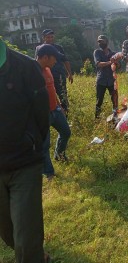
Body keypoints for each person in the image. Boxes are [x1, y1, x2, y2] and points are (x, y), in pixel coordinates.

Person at [0, 39, 50, 263]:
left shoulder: (25, 68)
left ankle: (33, 259)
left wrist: (30, 141)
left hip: (23, 163)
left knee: (26, 234)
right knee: (8, 231)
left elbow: (42, 115)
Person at [36, 44, 71, 178]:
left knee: (66, 132)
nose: (56, 61)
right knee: (44, 145)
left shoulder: (48, 69)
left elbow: (52, 89)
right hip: (42, 114)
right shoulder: (31, 73)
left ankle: (59, 155)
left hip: (54, 110)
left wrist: (58, 105)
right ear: (45, 57)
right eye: (54, 58)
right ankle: (48, 173)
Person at [35, 29, 73, 115]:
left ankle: (65, 114)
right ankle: (50, 114)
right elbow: (37, 62)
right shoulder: (39, 49)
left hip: (59, 75)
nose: (50, 39)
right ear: (44, 38)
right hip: (46, 76)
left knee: (63, 95)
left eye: (52, 37)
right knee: (48, 95)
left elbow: (65, 60)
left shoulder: (58, 48)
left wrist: (69, 73)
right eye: (48, 37)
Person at [94, 35, 120, 119]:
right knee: (99, 101)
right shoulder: (97, 52)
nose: (101, 43)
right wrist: (110, 62)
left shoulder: (113, 54)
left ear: (107, 42)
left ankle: (116, 117)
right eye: (99, 42)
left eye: (102, 41)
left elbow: (119, 66)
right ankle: (97, 118)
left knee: (115, 100)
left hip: (112, 81)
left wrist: (116, 62)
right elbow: (98, 64)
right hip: (101, 80)